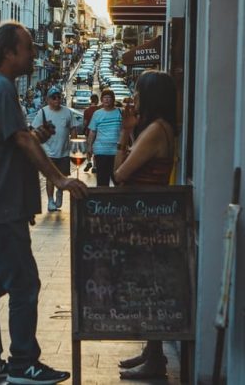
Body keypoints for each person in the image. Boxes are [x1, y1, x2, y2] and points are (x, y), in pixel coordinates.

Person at [0, 21, 88, 385]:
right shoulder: (1, 88)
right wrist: (59, 178)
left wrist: (37, 135)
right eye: (28, 47)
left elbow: (15, 140)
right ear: (8, 52)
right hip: (2, 206)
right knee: (24, 284)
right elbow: (20, 141)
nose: (33, 54)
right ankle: (23, 363)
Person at [113, 70, 177, 380]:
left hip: (148, 220)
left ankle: (155, 362)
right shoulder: (155, 128)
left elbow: (120, 174)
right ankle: (152, 353)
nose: (133, 98)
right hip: (147, 217)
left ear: (151, 96)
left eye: (138, 93)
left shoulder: (155, 131)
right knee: (148, 288)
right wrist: (127, 131)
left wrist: (126, 136)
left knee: (150, 290)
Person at [32, 86, 79, 212]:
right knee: (50, 177)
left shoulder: (67, 112)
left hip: (63, 152)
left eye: (59, 97)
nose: (57, 100)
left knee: (63, 176)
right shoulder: (43, 112)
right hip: (48, 151)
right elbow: (35, 130)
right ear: (48, 99)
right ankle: (50, 201)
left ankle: (60, 192)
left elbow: (73, 129)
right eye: (54, 98)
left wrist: (74, 146)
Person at [86, 89, 122, 186]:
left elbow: (126, 130)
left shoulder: (120, 112)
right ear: (102, 100)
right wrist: (89, 147)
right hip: (101, 151)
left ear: (113, 100)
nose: (107, 100)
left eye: (109, 98)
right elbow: (92, 132)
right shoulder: (97, 114)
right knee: (102, 181)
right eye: (105, 98)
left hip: (116, 152)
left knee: (118, 181)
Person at [82, 94, 100, 172]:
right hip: (98, 132)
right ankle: (95, 166)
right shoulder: (99, 110)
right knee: (96, 149)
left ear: (91, 100)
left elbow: (85, 123)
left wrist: (84, 129)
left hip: (88, 131)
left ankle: (89, 162)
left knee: (88, 147)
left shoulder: (86, 110)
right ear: (97, 100)